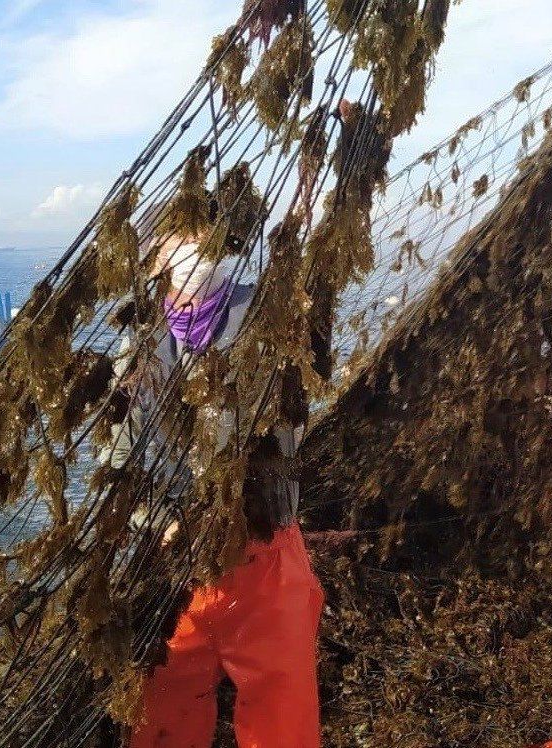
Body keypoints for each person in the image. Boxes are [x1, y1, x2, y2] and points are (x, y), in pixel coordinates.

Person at [118, 226, 323, 748]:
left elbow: (295, 408)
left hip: (263, 549)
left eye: (206, 234)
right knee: (165, 705)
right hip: (174, 560)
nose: (194, 250)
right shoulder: (140, 343)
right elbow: (119, 449)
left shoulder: (269, 315)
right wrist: (155, 519)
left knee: (282, 710)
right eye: (178, 239)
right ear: (155, 261)